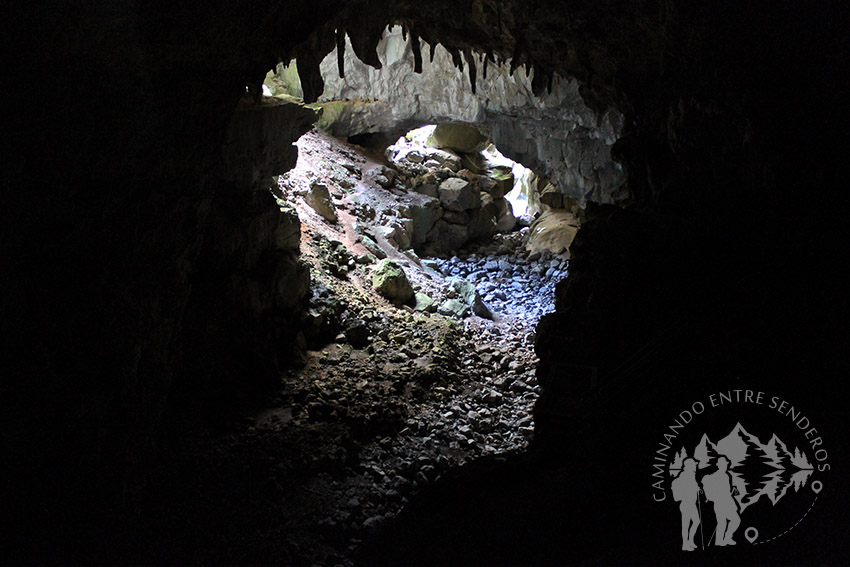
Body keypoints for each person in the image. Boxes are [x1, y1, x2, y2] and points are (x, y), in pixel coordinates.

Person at [701, 456, 741, 546]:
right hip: (720, 502)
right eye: (722, 464)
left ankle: (724, 539)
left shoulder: (726, 475)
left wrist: (732, 490)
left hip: (726, 502)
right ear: (718, 465)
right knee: (725, 522)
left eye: (725, 463)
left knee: (732, 521)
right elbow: (716, 490)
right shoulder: (717, 476)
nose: (725, 465)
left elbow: (725, 491)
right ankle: (721, 540)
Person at [671, 458, 701, 551]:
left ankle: (690, 541)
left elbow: (695, 486)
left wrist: (698, 489)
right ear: (688, 466)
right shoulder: (685, 475)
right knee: (686, 525)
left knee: (696, 521)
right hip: (686, 504)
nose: (696, 466)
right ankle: (685, 545)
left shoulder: (691, 475)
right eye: (694, 465)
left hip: (692, 504)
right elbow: (687, 488)